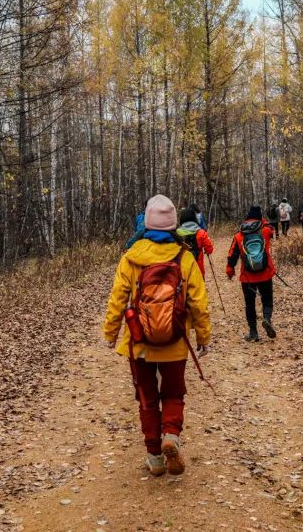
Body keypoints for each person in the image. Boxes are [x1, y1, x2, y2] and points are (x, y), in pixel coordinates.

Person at [104, 195, 211, 477]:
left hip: (139, 342)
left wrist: (111, 332)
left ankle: (155, 456)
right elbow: (199, 303)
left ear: (147, 224)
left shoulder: (131, 257)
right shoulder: (185, 257)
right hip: (175, 341)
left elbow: (118, 299)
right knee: (174, 393)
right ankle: (171, 435)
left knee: (147, 398)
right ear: (173, 225)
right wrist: (203, 337)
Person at [226, 205, 276, 342]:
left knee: (249, 303)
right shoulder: (265, 231)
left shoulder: (238, 235)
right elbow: (272, 229)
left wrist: (230, 269)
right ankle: (267, 318)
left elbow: (232, 254)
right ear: (260, 218)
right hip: (265, 273)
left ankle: (253, 332)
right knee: (267, 299)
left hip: (247, 277)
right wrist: (263, 221)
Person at [177, 208, 214, 278]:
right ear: (194, 218)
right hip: (198, 271)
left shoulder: (177, 234)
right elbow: (210, 249)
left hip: (181, 271)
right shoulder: (202, 233)